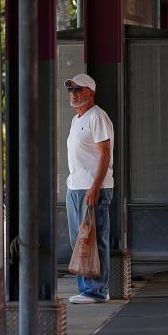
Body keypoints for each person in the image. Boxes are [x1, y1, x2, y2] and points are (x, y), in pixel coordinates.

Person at [64, 73, 114, 304]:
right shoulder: (77, 120)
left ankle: (97, 290)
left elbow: (105, 155)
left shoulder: (97, 116)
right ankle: (86, 289)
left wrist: (95, 186)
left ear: (90, 92)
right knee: (80, 241)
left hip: (92, 188)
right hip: (76, 187)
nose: (73, 93)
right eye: (71, 89)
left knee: (95, 238)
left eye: (78, 89)